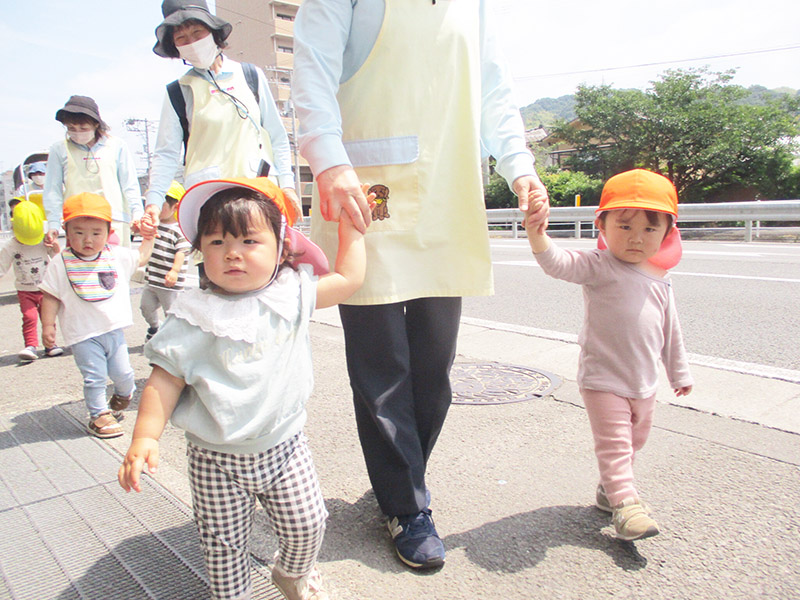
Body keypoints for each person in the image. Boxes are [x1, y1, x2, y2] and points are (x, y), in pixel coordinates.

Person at [292, 0, 550, 569]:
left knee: (434, 367)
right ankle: (407, 506)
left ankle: (399, 476)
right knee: (383, 368)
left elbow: (493, 90)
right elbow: (310, 73)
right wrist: (328, 160)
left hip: (446, 193)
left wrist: (520, 165)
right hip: (363, 190)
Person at [118, 177, 370, 600]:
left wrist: (352, 232)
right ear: (201, 251)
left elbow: (347, 279)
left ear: (281, 248)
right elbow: (164, 380)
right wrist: (145, 436)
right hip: (214, 457)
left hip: (284, 445)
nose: (232, 252)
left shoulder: (290, 295)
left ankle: (292, 572)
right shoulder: (192, 314)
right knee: (223, 549)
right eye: (216, 242)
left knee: (308, 523)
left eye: (250, 240)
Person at [525, 168, 694, 541]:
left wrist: (679, 374)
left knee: (635, 441)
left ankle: (609, 492)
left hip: (644, 382)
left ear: (668, 233)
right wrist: (538, 235)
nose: (637, 239)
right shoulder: (599, 266)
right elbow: (557, 263)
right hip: (603, 380)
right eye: (625, 226)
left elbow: (670, 331)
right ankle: (626, 506)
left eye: (650, 229)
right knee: (616, 444)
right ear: (602, 226)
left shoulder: (660, 278)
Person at [143, 0, 301, 230]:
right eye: (182, 39)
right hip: (208, 197)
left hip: (257, 189)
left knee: (261, 254)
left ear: (213, 33)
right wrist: (154, 202)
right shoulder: (179, 92)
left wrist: (287, 184)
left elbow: (277, 137)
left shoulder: (250, 75)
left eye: (197, 33)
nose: (192, 43)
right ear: (175, 47)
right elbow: (166, 154)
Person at [40, 193, 155, 439]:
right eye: (79, 232)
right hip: (82, 334)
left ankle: (121, 397)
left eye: (95, 232)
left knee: (124, 375)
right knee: (94, 377)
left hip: (114, 330)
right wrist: (47, 325)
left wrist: (149, 237)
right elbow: (49, 296)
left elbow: (142, 256)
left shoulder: (116, 255)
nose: (87, 240)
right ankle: (97, 414)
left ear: (108, 231)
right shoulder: (61, 263)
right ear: (66, 231)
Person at [42, 95, 144, 248]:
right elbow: (52, 190)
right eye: (71, 129)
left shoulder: (116, 146)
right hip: (79, 224)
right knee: (81, 269)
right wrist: (54, 223)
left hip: (113, 220)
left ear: (96, 124)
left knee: (115, 269)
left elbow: (129, 183)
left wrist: (137, 214)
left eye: (83, 128)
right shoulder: (59, 149)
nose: (77, 133)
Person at [0, 200, 63, 361]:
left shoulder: (43, 239)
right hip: (25, 290)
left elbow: (58, 260)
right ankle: (31, 345)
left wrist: (55, 248)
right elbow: (2, 266)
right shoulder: (11, 245)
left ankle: (50, 345)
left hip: (45, 289)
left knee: (48, 318)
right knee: (29, 317)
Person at [140, 181, 192, 342]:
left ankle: (174, 337)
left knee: (172, 312)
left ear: (175, 207)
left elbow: (182, 252)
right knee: (145, 307)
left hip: (170, 283)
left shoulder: (179, 229)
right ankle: (155, 327)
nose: (155, 210)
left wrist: (175, 271)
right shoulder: (153, 225)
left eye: (160, 206)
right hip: (152, 279)